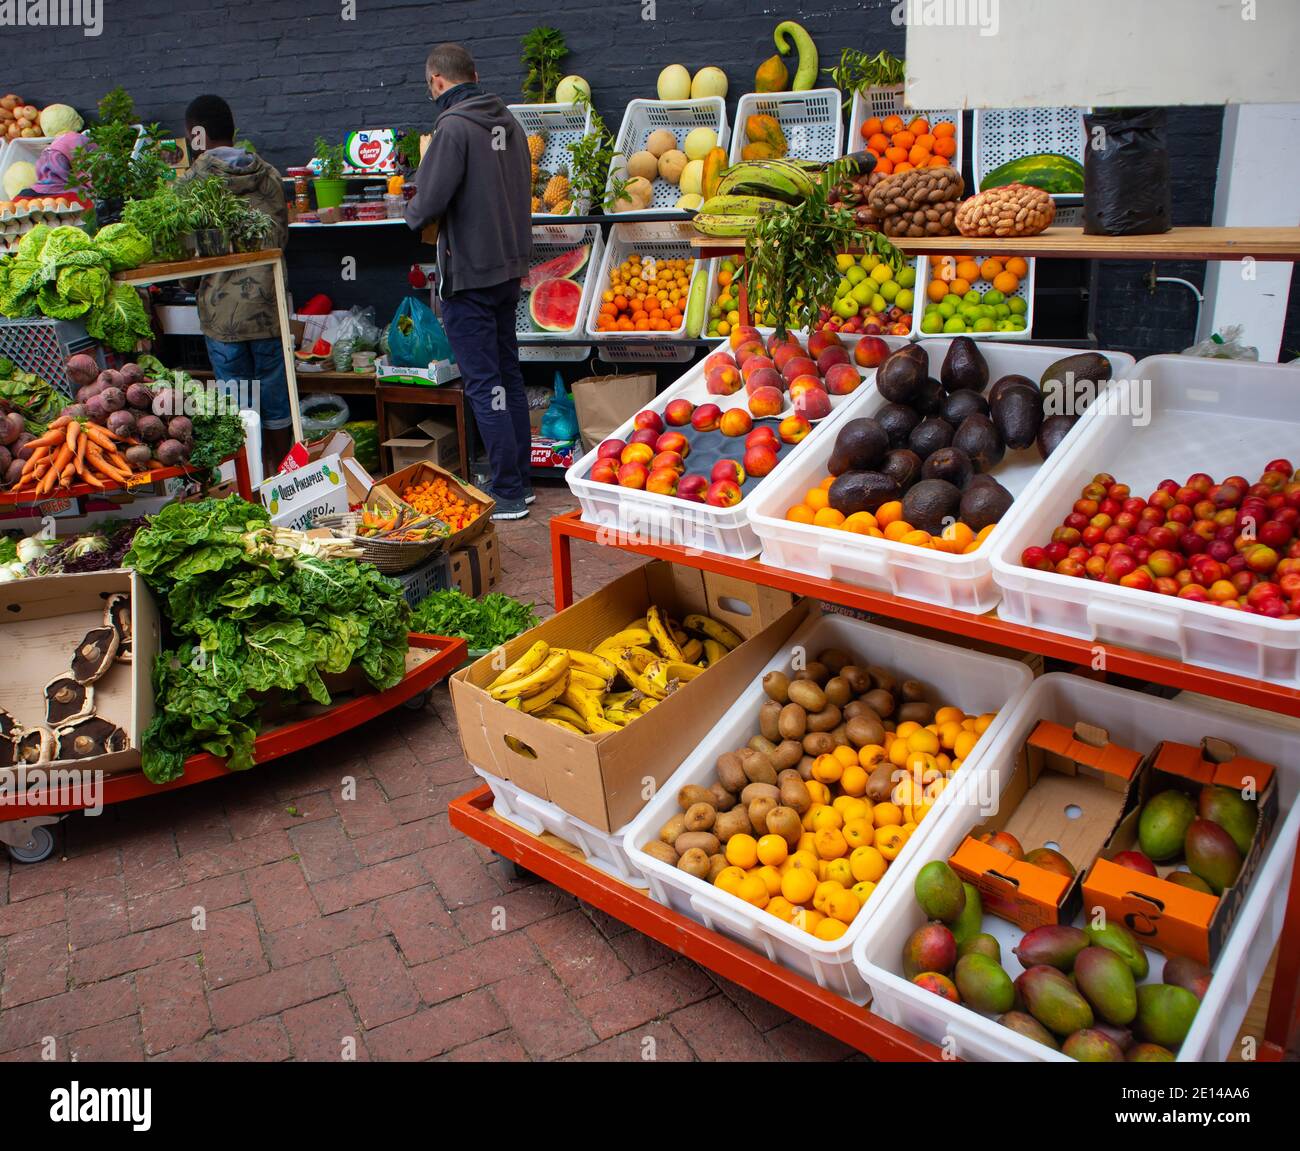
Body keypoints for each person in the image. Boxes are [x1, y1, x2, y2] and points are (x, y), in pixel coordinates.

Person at [405, 43, 534, 520]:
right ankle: (518, 480)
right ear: (474, 74)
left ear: (437, 82)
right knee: (507, 376)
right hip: (507, 270)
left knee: (483, 384)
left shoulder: (453, 128)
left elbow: (428, 203)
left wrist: (409, 207)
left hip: (470, 276)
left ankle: (507, 492)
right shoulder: (509, 123)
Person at [182, 95, 292, 469]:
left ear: (196, 134)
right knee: (278, 399)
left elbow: (186, 258)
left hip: (221, 314)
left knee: (239, 406)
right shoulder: (270, 175)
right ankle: (283, 481)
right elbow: (280, 240)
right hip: (268, 308)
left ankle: (251, 485)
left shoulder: (193, 183)